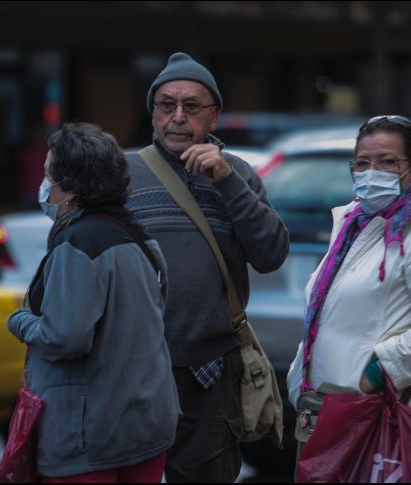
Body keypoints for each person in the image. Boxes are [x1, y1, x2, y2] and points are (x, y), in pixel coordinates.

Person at [125, 52, 290, 482]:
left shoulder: (238, 175)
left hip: (210, 373)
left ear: (213, 117)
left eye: (192, 107)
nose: (177, 117)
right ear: (153, 114)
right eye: (166, 105)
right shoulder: (123, 173)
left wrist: (227, 181)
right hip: (133, 370)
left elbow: (271, 254)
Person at [287, 115, 411, 471]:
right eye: (362, 163)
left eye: (388, 161)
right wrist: (300, 381)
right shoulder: (353, 224)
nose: (372, 171)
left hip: (385, 414)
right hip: (329, 413)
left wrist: (378, 373)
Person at [7, 123, 180, 483]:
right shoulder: (140, 238)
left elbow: (65, 337)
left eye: (48, 176)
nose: (44, 187)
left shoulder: (77, 245)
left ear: (70, 187)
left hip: (90, 437)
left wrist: (20, 321)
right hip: (146, 425)